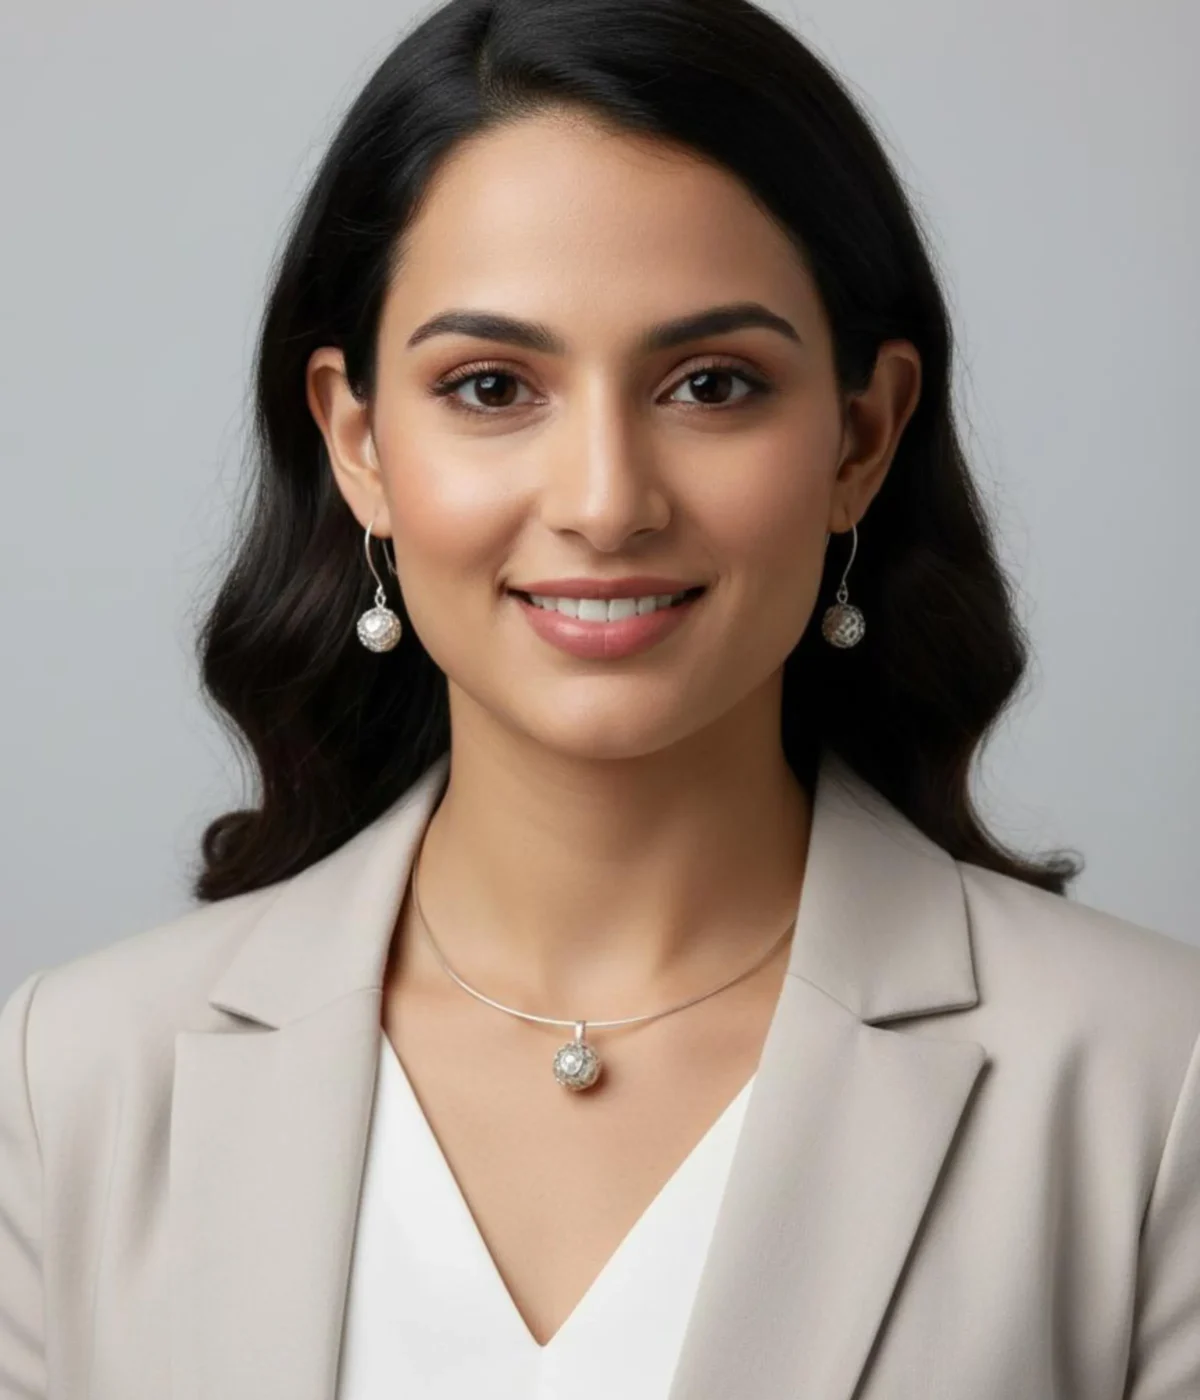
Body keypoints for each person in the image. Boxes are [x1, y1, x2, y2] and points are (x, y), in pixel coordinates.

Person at [2, 0, 1198, 1395]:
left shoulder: (1152, 1091)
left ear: (862, 438)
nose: (605, 504)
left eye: (710, 383)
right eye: (494, 385)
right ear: (358, 440)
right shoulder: (69, 1084)